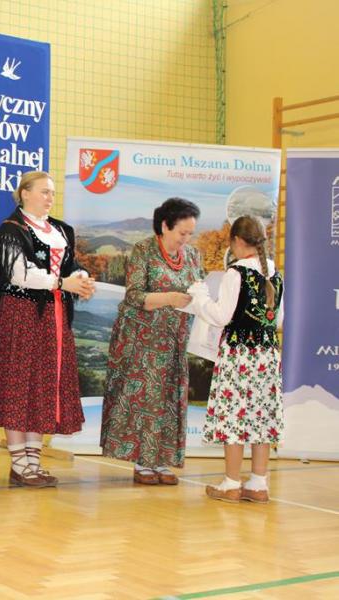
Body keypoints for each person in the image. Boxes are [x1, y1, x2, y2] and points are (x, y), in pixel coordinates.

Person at [0, 171, 95, 487]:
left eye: (53, 192)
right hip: (23, 315)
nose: (50, 198)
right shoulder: (12, 229)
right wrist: (62, 283)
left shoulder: (60, 230)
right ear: (25, 193)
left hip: (54, 317)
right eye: (44, 191)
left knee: (42, 386)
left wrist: (81, 278)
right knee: (20, 384)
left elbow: (71, 265)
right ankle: (19, 464)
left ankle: (33, 461)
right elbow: (18, 274)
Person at [100, 197, 204, 485]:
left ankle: (162, 460)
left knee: (169, 399)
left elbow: (200, 289)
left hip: (176, 340)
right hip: (141, 339)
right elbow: (134, 295)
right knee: (146, 400)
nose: (186, 239)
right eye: (182, 232)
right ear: (165, 226)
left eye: (190, 233)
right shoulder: (143, 250)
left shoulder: (193, 255)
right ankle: (143, 462)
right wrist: (169, 299)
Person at [187, 216, 284, 503]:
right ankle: (258, 483)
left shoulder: (236, 273)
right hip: (267, 354)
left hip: (239, 353)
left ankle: (231, 483)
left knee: (234, 415)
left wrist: (199, 298)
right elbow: (278, 319)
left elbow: (221, 316)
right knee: (261, 416)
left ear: (238, 241)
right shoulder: (275, 273)